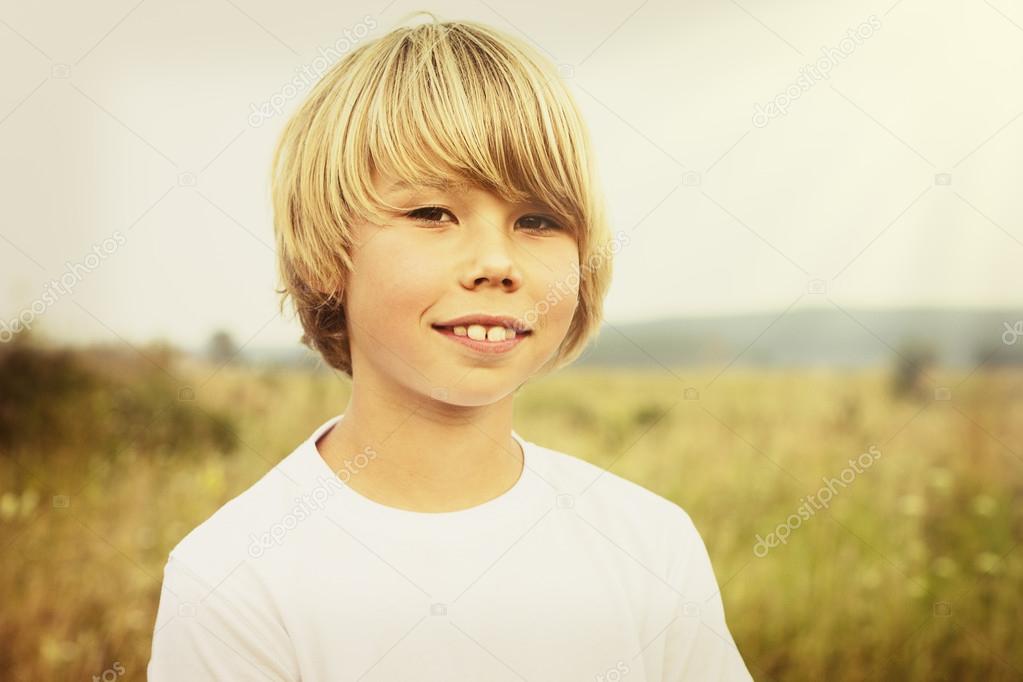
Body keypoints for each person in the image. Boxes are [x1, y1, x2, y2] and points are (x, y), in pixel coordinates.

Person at [147, 13, 754, 681]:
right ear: (326, 255)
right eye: (432, 213)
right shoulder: (234, 580)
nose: (495, 262)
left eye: (538, 220)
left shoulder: (650, 545)